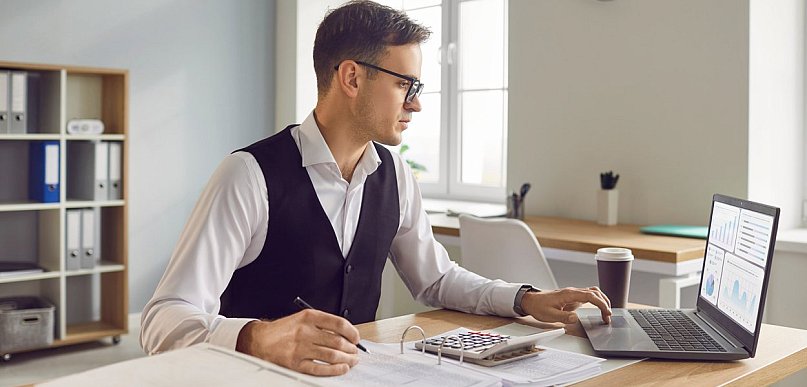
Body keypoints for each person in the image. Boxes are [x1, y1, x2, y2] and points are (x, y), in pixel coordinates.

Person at [140, 0, 611, 377]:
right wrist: (257, 337)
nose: (418, 104)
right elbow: (162, 318)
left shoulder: (395, 173)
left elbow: (436, 279)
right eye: (407, 84)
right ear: (351, 76)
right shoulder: (249, 175)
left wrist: (526, 299)